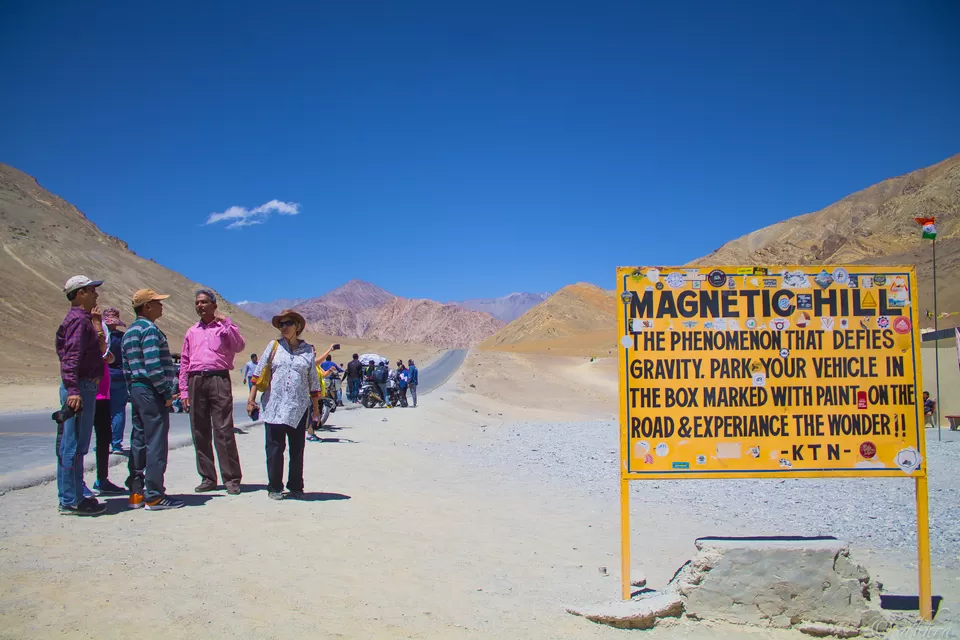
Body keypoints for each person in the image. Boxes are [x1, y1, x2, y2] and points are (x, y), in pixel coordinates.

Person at [246, 310, 321, 500]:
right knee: (274, 448)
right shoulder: (273, 347)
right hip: (274, 405)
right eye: (281, 324)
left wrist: (316, 409)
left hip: (298, 407)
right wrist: (251, 399)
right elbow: (258, 373)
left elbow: (313, 381)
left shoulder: (307, 351)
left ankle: (296, 485)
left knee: (297, 449)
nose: (284, 327)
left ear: (297, 326)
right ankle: (275, 486)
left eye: (288, 323)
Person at [179, 289, 246, 495]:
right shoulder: (192, 332)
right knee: (199, 430)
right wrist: (183, 390)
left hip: (219, 378)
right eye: (197, 303)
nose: (200, 306)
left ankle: (232, 479)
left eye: (204, 302)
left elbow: (239, 346)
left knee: (223, 429)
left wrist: (227, 322)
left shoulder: (224, 329)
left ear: (214, 306)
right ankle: (208, 478)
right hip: (196, 379)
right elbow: (184, 361)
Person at [122, 288, 183, 510]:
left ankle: (136, 493)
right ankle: (155, 495)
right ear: (147, 306)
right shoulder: (149, 330)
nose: (161, 306)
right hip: (151, 391)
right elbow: (153, 367)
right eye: (157, 302)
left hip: (137, 390)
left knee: (138, 440)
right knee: (156, 442)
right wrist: (166, 393)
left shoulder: (129, 333)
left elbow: (126, 368)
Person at [55, 275, 108, 516]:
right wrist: (74, 390)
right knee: (72, 445)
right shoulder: (77, 320)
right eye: (91, 290)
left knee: (77, 445)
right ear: (80, 294)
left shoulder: (85, 320)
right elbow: (71, 357)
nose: (96, 294)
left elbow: (98, 350)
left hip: (85, 386)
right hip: (80, 388)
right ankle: (70, 500)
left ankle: (75, 495)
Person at [92, 355, 126, 495]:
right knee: (79, 441)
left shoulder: (103, 353)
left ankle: (102, 479)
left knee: (104, 438)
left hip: (103, 395)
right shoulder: (88, 349)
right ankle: (77, 483)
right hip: (92, 394)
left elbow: (111, 359)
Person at [103, 307, 128, 453]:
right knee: (119, 410)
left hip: (105, 375)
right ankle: (117, 444)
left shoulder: (102, 337)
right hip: (120, 375)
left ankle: (104, 443)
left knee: (104, 411)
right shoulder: (123, 337)